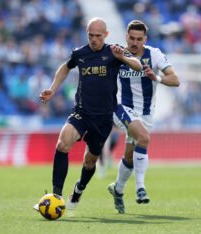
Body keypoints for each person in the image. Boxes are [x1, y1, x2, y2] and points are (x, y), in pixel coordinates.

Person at [34, 17, 142, 212]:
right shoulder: (79, 53)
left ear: (106, 35)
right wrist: (52, 89)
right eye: (90, 35)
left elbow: (138, 65)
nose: (94, 39)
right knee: (62, 143)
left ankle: (79, 188)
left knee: (89, 161)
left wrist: (123, 58)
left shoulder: (114, 51)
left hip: (103, 118)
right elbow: (65, 67)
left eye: (98, 36)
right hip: (81, 113)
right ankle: (56, 196)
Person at [107, 20, 180, 214]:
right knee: (144, 138)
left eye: (139, 39)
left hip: (146, 113)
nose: (134, 42)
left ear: (145, 39)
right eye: (131, 38)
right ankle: (140, 188)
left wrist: (156, 78)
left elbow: (175, 80)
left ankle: (118, 189)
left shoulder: (154, 54)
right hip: (121, 107)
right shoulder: (117, 54)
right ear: (126, 37)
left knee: (130, 155)